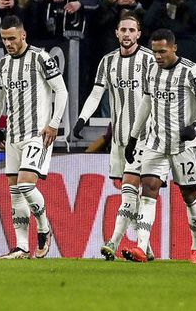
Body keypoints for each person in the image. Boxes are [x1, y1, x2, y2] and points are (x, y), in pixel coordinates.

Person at [122, 28, 196, 263]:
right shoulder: (151, 70)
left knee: (189, 195)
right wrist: (133, 136)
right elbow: (146, 103)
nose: (158, 56)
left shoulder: (191, 71)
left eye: (162, 51)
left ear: (174, 48)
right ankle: (141, 247)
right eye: (154, 52)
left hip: (184, 145)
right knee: (148, 190)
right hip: (156, 143)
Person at [0, 15, 68, 259]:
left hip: (37, 133)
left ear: (23, 35)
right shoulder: (3, 64)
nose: (8, 43)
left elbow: (61, 91)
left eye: (12, 38)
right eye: (4, 39)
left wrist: (53, 124)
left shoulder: (41, 58)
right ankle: (20, 246)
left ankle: (44, 228)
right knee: (15, 192)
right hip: (13, 136)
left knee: (26, 184)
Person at [72, 14, 157, 260]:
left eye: (132, 30)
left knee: (131, 191)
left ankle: (114, 242)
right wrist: (82, 119)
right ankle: (146, 248)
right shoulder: (108, 61)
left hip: (144, 136)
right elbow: (96, 93)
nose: (128, 34)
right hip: (119, 138)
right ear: (117, 33)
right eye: (124, 30)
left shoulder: (150, 60)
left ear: (139, 34)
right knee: (127, 191)